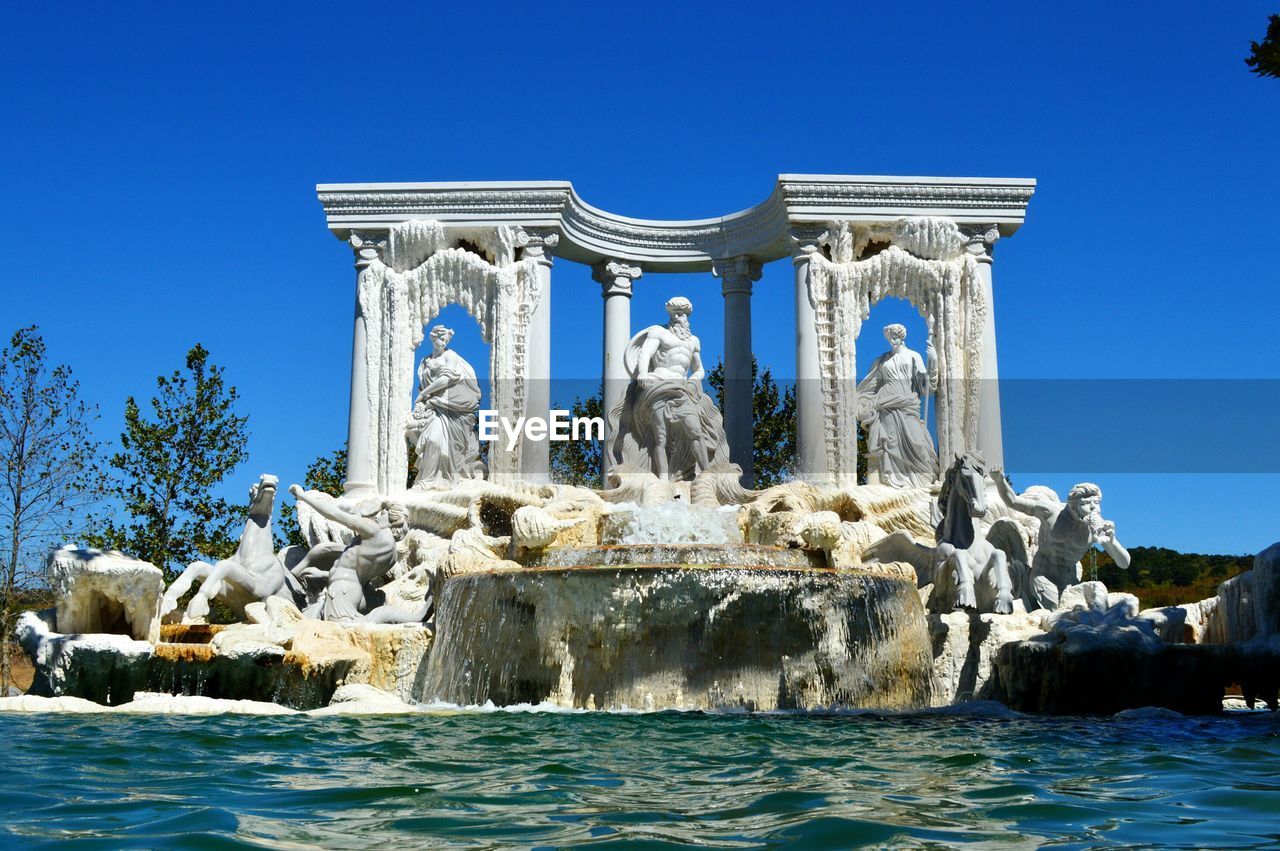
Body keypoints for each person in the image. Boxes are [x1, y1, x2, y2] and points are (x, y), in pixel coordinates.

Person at [609, 297, 729, 480]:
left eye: (682, 314)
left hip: (683, 391)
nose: (679, 317)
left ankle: (706, 476)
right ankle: (663, 480)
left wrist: (693, 380)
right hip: (659, 387)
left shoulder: (694, 341)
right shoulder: (659, 332)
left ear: (688, 316)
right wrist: (642, 373)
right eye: (675, 313)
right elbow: (645, 354)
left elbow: (699, 370)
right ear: (670, 314)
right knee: (660, 437)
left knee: (696, 431)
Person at [992, 474, 1131, 610]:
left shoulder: (1096, 529)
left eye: (1096, 503)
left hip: (1070, 581)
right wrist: (999, 480)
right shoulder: (1052, 512)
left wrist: (1112, 542)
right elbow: (1013, 501)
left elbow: (1124, 563)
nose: (1093, 508)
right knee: (1059, 612)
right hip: (1043, 576)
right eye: (1086, 503)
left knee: (1082, 614)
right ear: (1072, 505)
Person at [856, 323, 939, 488]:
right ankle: (891, 484)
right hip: (885, 407)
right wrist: (863, 403)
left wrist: (934, 361)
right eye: (889, 338)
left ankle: (923, 484)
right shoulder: (882, 361)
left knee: (918, 443)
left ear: (902, 337)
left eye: (894, 337)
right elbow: (871, 386)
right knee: (889, 444)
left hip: (908, 405)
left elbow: (926, 386)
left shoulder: (914, 356)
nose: (892, 340)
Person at [407, 326, 483, 486]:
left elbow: (445, 380)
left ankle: (447, 480)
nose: (444, 343)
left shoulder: (451, 355)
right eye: (442, 339)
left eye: (446, 341)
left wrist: (423, 394)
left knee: (447, 446)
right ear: (433, 338)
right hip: (434, 407)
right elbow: (424, 383)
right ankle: (426, 481)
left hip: (451, 403)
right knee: (433, 441)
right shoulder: (425, 362)